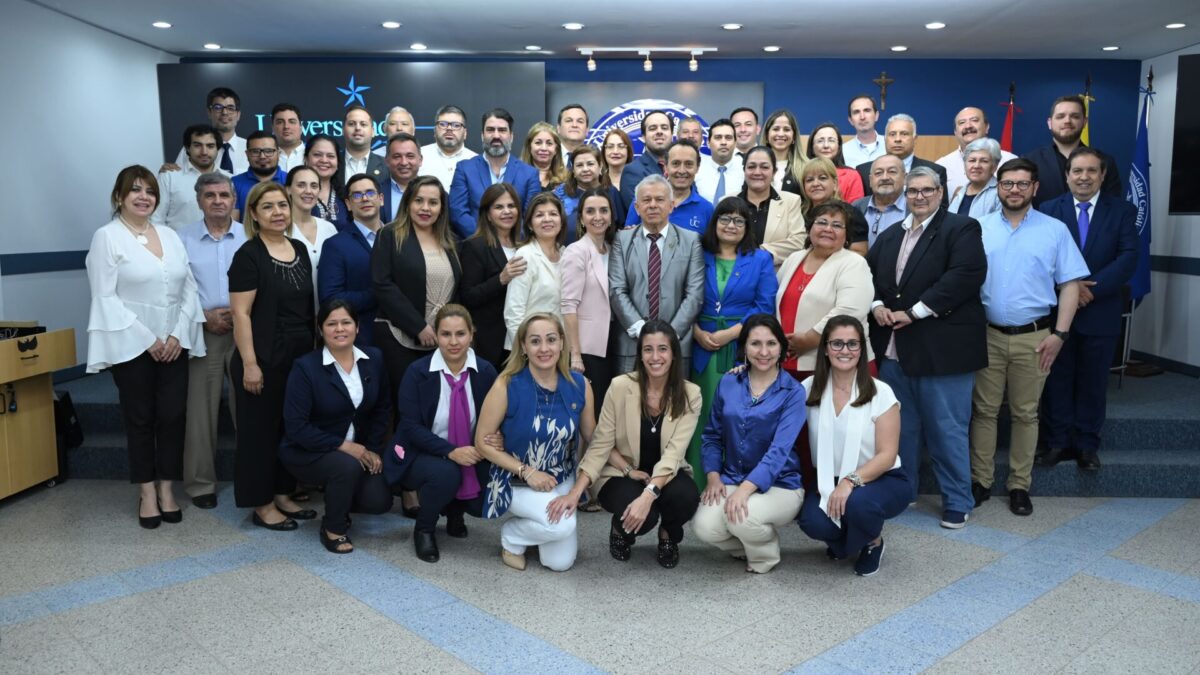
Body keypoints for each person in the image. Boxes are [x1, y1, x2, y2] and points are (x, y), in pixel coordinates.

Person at [86, 166, 207, 528]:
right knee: (140, 419)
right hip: (132, 343)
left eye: (150, 191)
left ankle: (167, 488)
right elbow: (104, 297)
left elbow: (188, 288)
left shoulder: (169, 235)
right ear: (119, 196)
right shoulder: (107, 237)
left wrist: (174, 335)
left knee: (173, 417)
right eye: (135, 190)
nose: (143, 197)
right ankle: (147, 493)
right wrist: (149, 339)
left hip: (174, 342)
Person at [867, 166, 988, 529]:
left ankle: (957, 500)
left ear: (941, 193)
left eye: (927, 190)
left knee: (946, 428)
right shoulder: (890, 236)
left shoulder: (961, 228)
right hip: (895, 352)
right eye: (913, 191)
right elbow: (869, 278)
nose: (919, 196)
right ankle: (903, 493)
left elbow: (965, 275)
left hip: (942, 351)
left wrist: (915, 312)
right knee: (900, 431)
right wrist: (876, 306)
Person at [971, 158, 1089, 516]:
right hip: (986, 335)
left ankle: (1020, 485)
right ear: (998, 187)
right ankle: (981, 481)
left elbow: (1070, 285)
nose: (1015, 190)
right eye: (1008, 184)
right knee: (984, 411)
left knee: (1025, 414)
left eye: (1023, 184)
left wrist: (1060, 335)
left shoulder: (1054, 230)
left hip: (1035, 338)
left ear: (1035, 188)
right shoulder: (977, 227)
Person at [557, 321, 703, 567]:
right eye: (648, 349)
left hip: (665, 473)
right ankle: (620, 531)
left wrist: (648, 495)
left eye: (662, 349)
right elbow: (600, 443)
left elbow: (674, 453)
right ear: (640, 354)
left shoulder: (691, 394)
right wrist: (576, 491)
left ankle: (668, 535)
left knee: (685, 496)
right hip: (621, 471)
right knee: (643, 516)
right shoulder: (621, 387)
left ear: (674, 354)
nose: (655, 357)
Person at [1038, 147, 1139, 472]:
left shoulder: (1121, 211)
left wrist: (1087, 289)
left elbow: (1127, 257)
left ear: (1102, 175)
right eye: (1077, 171)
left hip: (1101, 310)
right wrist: (1068, 287)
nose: (1083, 177)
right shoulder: (1049, 209)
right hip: (1057, 315)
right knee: (1057, 380)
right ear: (1067, 175)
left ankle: (1086, 445)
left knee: (1094, 382)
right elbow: (1039, 256)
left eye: (1091, 171)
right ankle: (1057, 442)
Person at [474, 313, 596, 572]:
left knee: (559, 563)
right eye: (535, 341)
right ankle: (512, 537)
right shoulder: (506, 385)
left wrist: (624, 467)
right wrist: (527, 472)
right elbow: (482, 442)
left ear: (562, 343)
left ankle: (539, 527)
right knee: (562, 525)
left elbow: (593, 438)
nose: (544, 348)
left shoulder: (580, 385)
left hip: (561, 477)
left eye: (551, 340)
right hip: (516, 479)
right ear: (524, 347)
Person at [228, 181, 317, 530]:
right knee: (258, 434)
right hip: (262, 358)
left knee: (287, 430)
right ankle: (262, 504)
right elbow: (241, 314)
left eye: (282, 205)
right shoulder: (248, 255)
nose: (278, 212)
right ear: (253, 213)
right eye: (268, 206)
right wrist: (250, 363)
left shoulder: (298, 248)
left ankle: (282, 493)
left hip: (296, 359)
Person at [692, 313, 806, 574]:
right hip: (732, 477)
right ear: (743, 347)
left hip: (781, 484)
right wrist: (713, 476)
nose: (763, 352)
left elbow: (779, 451)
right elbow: (711, 435)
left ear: (781, 348)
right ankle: (747, 547)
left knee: (743, 517)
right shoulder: (729, 382)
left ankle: (764, 555)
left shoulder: (793, 392)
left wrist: (744, 490)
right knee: (704, 527)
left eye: (771, 344)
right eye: (755, 344)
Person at [280, 299, 393, 554]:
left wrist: (372, 448)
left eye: (346, 322)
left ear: (357, 327)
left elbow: (382, 409)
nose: (339, 329)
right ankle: (334, 527)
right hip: (306, 451)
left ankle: (339, 493)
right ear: (321, 330)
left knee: (379, 500)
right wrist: (346, 447)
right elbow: (297, 427)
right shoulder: (306, 368)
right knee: (345, 466)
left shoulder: (374, 358)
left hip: (358, 451)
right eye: (331, 324)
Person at [797, 316, 908, 576]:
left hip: (881, 479)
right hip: (828, 478)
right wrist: (743, 373)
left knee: (858, 504)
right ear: (825, 348)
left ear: (861, 350)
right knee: (811, 521)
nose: (844, 351)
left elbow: (887, 455)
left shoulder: (881, 393)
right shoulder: (808, 388)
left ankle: (872, 542)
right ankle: (849, 540)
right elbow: (772, 394)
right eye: (836, 343)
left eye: (852, 344)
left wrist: (848, 482)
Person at [388, 305, 500, 562]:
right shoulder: (417, 372)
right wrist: (450, 451)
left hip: (470, 451)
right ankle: (424, 529)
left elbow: (497, 418)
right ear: (436, 335)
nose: (453, 341)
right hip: (422, 451)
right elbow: (410, 427)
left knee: (485, 493)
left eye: (460, 334)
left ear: (472, 334)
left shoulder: (485, 373)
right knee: (446, 473)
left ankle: (456, 512)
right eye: (446, 334)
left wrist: (497, 437)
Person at [688, 198, 778, 488]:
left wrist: (732, 333)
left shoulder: (761, 259)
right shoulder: (698, 253)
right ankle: (700, 484)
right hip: (700, 346)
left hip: (741, 347)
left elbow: (764, 305)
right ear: (714, 223)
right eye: (725, 219)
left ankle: (734, 483)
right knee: (701, 415)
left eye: (739, 220)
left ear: (747, 226)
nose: (731, 225)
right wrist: (695, 330)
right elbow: (682, 294)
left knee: (735, 417)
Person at [179, 172, 246, 509]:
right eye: (210, 196)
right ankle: (200, 483)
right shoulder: (181, 239)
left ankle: (252, 477)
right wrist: (203, 316)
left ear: (234, 199)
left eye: (224, 195)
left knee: (247, 407)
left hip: (244, 332)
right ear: (199, 201)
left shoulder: (249, 236)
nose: (218, 201)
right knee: (200, 411)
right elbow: (174, 289)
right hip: (202, 331)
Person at [371, 175, 461, 392]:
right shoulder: (390, 235)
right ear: (408, 203)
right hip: (400, 337)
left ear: (442, 207)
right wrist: (418, 327)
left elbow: (456, 291)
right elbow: (382, 285)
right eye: (418, 200)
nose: (425, 208)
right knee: (407, 407)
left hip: (442, 340)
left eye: (433, 202)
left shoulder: (451, 241)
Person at [609, 174, 705, 374]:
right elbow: (617, 290)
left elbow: (695, 294)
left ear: (671, 206)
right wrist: (641, 330)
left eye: (659, 200)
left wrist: (668, 336)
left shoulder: (691, 240)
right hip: (631, 344)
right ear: (636, 207)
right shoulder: (622, 240)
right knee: (629, 402)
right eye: (646, 200)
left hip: (677, 345)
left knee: (675, 403)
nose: (652, 205)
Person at [776, 201, 875, 377]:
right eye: (822, 222)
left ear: (847, 235)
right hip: (785, 362)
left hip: (836, 364)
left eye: (837, 225)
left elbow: (850, 311)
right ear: (810, 228)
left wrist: (809, 340)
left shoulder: (854, 263)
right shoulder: (794, 258)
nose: (828, 229)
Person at [561, 188, 618, 409]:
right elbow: (568, 306)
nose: (598, 217)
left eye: (604, 210)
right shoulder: (576, 251)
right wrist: (575, 355)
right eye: (590, 211)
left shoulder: (613, 250)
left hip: (610, 341)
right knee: (587, 412)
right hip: (586, 347)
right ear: (582, 218)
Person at [460, 184, 527, 367]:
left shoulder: (525, 246)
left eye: (511, 206)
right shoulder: (475, 246)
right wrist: (501, 279)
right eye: (499, 207)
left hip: (522, 338)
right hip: (490, 342)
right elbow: (468, 296)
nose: (507, 211)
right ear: (488, 214)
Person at [449, 108, 541, 238]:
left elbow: (530, 217)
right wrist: (485, 240)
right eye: (490, 130)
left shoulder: (529, 174)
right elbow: (458, 213)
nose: (496, 136)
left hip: (516, 248)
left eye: (502, 130)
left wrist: (507, 241)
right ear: (482, 135)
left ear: (511, 136)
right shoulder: (464, 169)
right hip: (475, 248)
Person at [318, 173, 385, 346]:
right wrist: (380, 295)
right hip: (362, 339)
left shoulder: (400, 238)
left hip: (403, 337)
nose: (364, 199)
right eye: (357, 195)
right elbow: (331, 299)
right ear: (348, 204)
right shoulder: (336, 245)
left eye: (370, 193)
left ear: (381, 199)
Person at [1023, 95, 1122, 208]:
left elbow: (1113, 208)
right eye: (1060, 116)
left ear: (1085, 122)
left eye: (1075, 116)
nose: (1067, 121)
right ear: (1049, 123)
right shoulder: (1029, 161)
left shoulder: (1106, 161)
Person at [502, 192, 566, 350]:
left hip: (558, 348)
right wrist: (524, 350)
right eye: (539, 215)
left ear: (561, 220)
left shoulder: (566, 254)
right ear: (530, 224)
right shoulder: (525, 255)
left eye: (553, 214)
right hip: (529, 351)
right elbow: (513, 311)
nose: (547, 219)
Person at [856, 114, 949, 208]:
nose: (897, 139)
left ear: (915, 139)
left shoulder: (935, 171)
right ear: (885, 139)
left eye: (904, 134)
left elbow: (941, 211)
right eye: (892, 134)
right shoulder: (864, 170)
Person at [737, 146, 806, 268]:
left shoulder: (791, 201)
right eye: (751, 166)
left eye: (764, 167)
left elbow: (799, 242)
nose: (757, 172)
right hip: (733, 277)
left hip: (776, 278)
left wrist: (758, 252)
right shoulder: (728, 201)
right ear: (744, 171)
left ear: (774, 172)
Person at [625, 140, 714, 235]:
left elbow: (709, 248)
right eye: (676, 163)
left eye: (689, 164)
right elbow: (629, 242)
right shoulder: (644, 201)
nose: (682, 170)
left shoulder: (707, 209)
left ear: (697, 167)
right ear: (665, 167)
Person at [153, 124, 224, 232]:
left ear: (217, 149)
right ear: (187, 148)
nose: (204, 152)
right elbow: (156, 220)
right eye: (197, 145)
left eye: (210, 146)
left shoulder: (229, 180)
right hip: (178, 246)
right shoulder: (169, 177)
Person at [936, 106, 1017, 198]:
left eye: (974, 120)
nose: (968, 126)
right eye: (962, 122)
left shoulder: (1010, 161)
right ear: (955, 132)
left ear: (987, 127)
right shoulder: (941, 165)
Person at [286, 166, 339, 301]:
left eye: (314, 186)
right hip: (293, 314)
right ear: (288, 189)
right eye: (301, 185)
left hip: (328, 313)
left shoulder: (329, 229)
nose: (308, 191)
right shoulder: (279, 230)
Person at [799, 158, 870, 255]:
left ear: (835, 184)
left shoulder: (850, 213)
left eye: (822, 178)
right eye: (809, 180)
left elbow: (859, 252)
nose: (815, 184)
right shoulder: (798, 213)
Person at [171, 87, 246, 174]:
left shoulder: (250, 148)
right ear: (209, 112)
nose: (224, 112)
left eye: (230, 108)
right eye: (218, 107)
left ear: (238, 115)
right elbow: (177, 178)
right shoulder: (192, 149)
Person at [554, 145, 624, 235]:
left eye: (590, 164)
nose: (585, 169)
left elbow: (621, 227)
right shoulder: (560, 194)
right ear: (573, 171)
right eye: (579, 165)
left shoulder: (611, 192)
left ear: (600, 166)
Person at [618, 110, 674, 213]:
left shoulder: (681, 169)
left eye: (664, 128)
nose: (659, 131)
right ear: (643, 136)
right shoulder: (632, 171)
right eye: (653, 128)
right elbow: (639, 213)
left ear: (671, 134)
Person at [852, 155, 907, 249]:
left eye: (892, 172)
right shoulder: (856, 207)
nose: (885, 177)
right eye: (878, 173)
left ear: (905, 178)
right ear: (870, 180)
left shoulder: (914, 208)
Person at [419, 105, 477, 189]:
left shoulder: (475, 160)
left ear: (465, 133)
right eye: (443, 124)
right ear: (434, 131)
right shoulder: (419, 155)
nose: (449, 128)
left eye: (456, 125)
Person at [806, 122, 865, 202]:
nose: (826, 145)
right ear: (812, 147)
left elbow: (855, 210)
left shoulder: (852, 175)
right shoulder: (802, 172)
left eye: (831, 140)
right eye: (820, 141)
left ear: (839, 146)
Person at [231, 131, 287, 217]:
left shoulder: (290, 180)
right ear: (247, 154)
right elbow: (233, 224)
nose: (262, 156)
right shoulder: (234, 183)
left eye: (268, 151)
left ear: (278, 154)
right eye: (255, 151)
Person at [694, 118, 744, 204]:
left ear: (735, 143)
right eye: (718, 137)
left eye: (728, 138)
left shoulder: (745, 168)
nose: (723, 142)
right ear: (708, 143)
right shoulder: (696, 168)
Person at [304, 134, 348, 229]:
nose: (324, 160)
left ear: (337, 163)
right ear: (306, 159)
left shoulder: (347, 195)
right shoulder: (296, 195)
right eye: (317, 155)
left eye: (330, 156)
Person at [760, 109, 806, 195]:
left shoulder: (806, 167)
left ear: (794, 137)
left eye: (786, 129)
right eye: (776, 129)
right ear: (767, 135)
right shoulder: (754, 166)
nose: (781, 134)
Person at [380, 133, 423, 223]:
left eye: (410, 156)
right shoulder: (376, 192)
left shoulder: (436, 192)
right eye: (397, 156)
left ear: (420, 160)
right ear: (387, 161)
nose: (403, 162)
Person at [341, 105, 387, 184]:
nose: (358, 128)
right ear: (343, 130)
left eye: (363, 124)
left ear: (373, 132)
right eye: (351, 124)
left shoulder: (387, 166)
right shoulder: (331, 163)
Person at [521, 122, 568, 193]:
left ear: (556, 149)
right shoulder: (517, 176)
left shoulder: (566, 179)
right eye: (538, 143)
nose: (544, 148)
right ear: (529, 147)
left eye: (549, 143)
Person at [841, 95, 886, 169]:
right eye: (856, 112)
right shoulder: (842, 151)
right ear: (851, 120)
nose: (862, 117)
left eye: (867, 110)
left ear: (876, 116)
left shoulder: (891, 146)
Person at [602, 128, 634, 209]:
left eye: (621, 146)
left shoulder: (639, 180)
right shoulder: (597, 182)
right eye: (610, 147)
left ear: (628, 151)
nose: (615, 151)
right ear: (604, 151)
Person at [271, 103, 306, 172]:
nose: (286, 126)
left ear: (301, 127)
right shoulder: (264, 157)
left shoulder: (313, 155)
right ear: (272, 127)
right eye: (280, 122)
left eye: (292, 122)